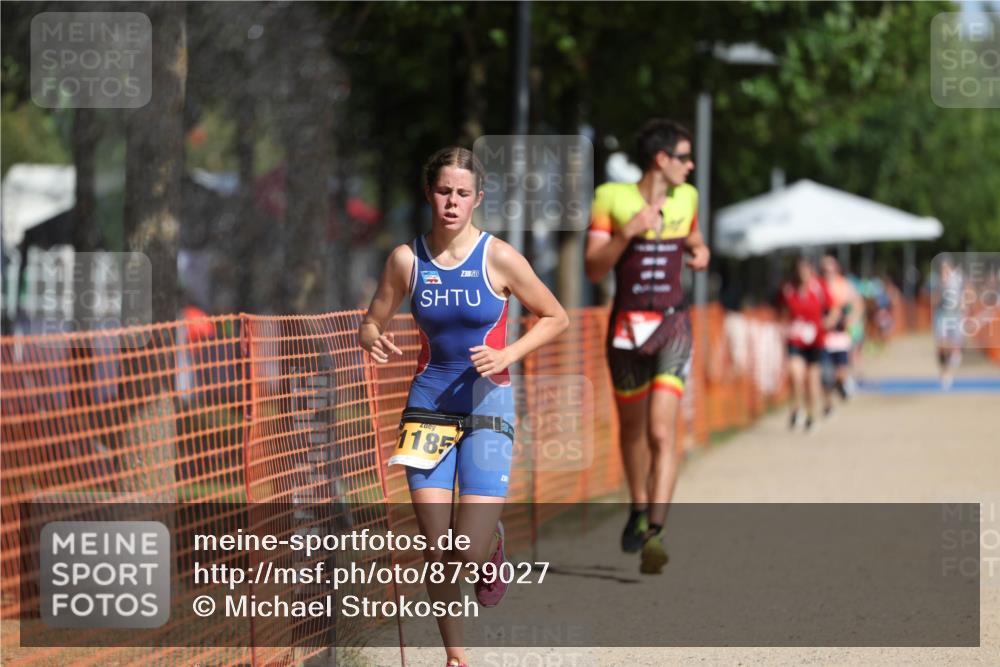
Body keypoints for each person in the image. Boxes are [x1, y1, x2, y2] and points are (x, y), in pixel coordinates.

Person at [358, 147, 568, 667]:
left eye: (462, 193)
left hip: (487, 405)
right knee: (436, 548)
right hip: (427, 406)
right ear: (431, 194)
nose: (452, 202)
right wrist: (370, 337)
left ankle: (489, 544)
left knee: (464, 551)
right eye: (444, 191)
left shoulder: (498, 257)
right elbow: (373, 318)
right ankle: (456, 656)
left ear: (477, 199)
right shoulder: (407, 259)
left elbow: (555, 315)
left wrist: (507, 353)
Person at [584, 119, 709, 574]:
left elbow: (693, 237)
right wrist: (628, 231)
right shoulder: (610, 199)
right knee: (632, 432)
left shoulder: (687, 198)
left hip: (673, 326)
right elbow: (594, 268)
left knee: (661, 431)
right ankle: (638, 507)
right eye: (684, 156)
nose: (690, 165)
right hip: (625, 329)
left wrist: (701, 250)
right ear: (662, 159)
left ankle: (656, 531)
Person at [780, 257, 831, 432]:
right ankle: (796, 408)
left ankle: (811, 415)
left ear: (810, 271)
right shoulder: (789, 290)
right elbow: (782, 312)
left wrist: (827, 323)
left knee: (812, 381)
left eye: (805, 270)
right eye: (799, 271)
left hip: (816, 341)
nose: (802, 274)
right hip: (796, 340)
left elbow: (834, 308)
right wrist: (784, 327)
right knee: (796, 375)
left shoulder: (819, 288)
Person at [819, 254, 863, 410]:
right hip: (824, 336)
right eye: (824, 269)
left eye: (830, 268)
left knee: (840, 371)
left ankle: (841, 385)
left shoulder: (844, 285)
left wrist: (851, 319)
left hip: (841, 335)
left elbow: (857, 305)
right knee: (825, 373)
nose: (828, 272)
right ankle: (828, 404)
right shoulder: (818, 286)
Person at [932, 255, 965, 389]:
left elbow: (963, 295)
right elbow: (934, 299)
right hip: (941, 315)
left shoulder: (957, 279)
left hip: (954, 315)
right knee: (941, 345)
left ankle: (949, 369)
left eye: (946, 267)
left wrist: (963, 307)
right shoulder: (937, 281)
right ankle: (943, 372)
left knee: (953, 343)